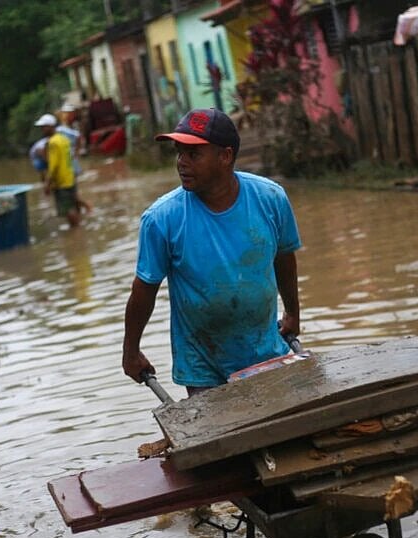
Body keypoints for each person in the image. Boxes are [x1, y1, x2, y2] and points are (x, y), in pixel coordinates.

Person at [122, 108, 302, 395]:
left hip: (268, 352)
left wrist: (293, 313)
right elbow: (144, 290)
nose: (181, 163)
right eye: (178, 153)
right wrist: (131, 351)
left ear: (225, 156)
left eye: (193, 154)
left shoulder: (270, 198)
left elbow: (284, 258)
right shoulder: (161, 219)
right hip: (204, 364)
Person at [37, 113, 82, 227]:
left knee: (67, 209)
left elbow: (53, 166)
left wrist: (47, 184)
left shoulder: (53, 143)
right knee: (73, 205)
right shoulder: (64, 139)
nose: (42, 129)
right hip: (70, 177)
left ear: (51, 126)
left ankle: (76, 233)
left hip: (61, 182)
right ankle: (78, 227)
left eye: (44, 126)